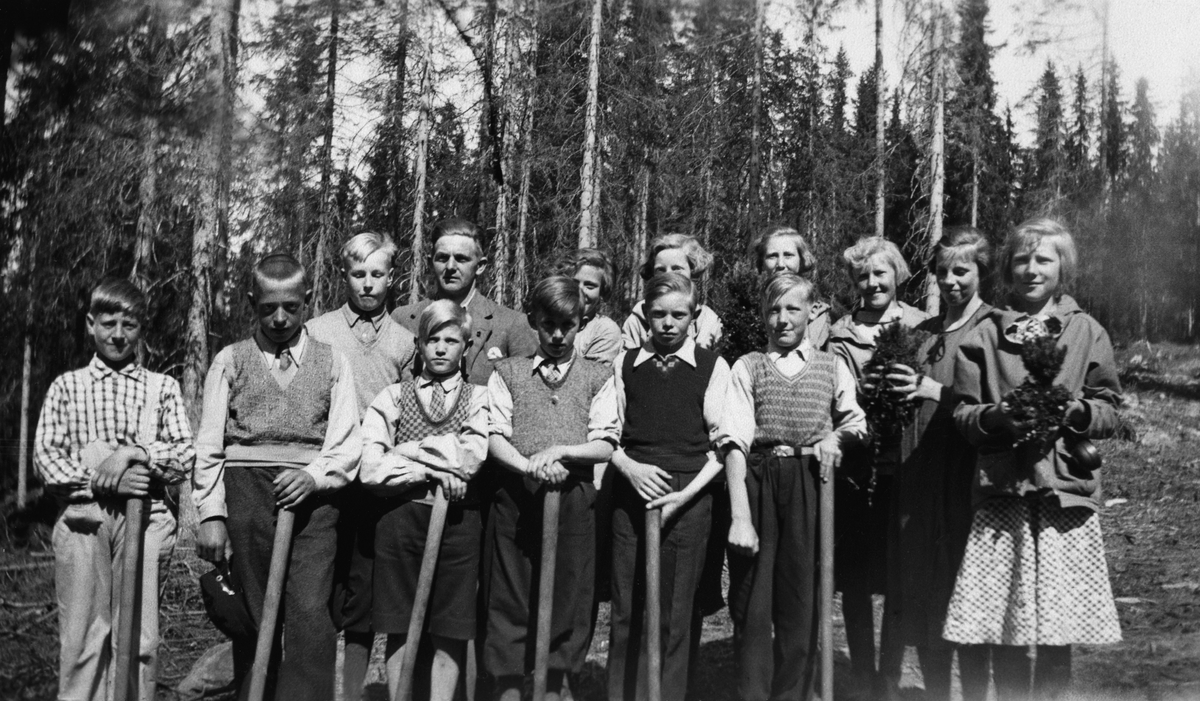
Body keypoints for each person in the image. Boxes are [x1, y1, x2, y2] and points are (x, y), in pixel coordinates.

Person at [943, 217, 1122, 700]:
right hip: (1005, 493)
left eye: (1043, 258)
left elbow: (1109, 410)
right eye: (1021, 259)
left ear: (1063, 267)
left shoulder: (1086, 330)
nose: (1031, 269)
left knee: (1055, 627)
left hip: (1064, 495)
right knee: (1005, 621)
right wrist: (997, 416)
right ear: (1006, 268)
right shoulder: (985, 333)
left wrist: (1076, 410)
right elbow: (962, 413)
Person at [193, 252, 362, 701]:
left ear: (307, 300)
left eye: (291, 306)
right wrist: (211, 513)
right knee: (252, 617)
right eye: (268, 308)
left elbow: (347, 445)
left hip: (314, 507)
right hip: (246, 500)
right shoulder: (230, 361)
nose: (281, 318)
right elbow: (209, 445)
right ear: (252, 302)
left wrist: (315, 477)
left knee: (310, 613)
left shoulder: (333, 362)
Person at [35, 279, 195, 701]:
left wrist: (131, 454)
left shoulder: (162, 388)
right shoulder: (67, 387)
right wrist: (100, 478)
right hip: (83, 519)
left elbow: (183, 455)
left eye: (130, 325)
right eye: (108, 323)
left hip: (143, 524)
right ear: (91, 324)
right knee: (84, 640)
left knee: (139, 640)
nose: (119, 335)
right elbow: (47, 460)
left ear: (142, 328)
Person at [720, 273, 867, 701]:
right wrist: (741, 517)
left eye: (792, 309)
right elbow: (733, 442)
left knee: (802, 603)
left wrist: (833, 439)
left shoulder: (831, 365)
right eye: (773, 310)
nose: (782, 319)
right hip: (759, 480)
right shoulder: (747, 366)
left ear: (811, 312)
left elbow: (854, 421)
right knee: (752, 604)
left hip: (811, 484)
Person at [484, 276, 619, 701]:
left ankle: (557, 682)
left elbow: (605, 443)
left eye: (568, 324)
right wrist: (530, 466)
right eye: (548, 325)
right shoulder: (507, 372)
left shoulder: (598, 376)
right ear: (532, 322)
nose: (558, 335)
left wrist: (560, 452)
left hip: (575, 497)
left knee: (570, 591)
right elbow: (492, 436)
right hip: (516, 494)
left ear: (581, 322)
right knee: (510, 590)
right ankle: (508, 683)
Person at [881, 228, 995, 701]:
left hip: (968, 484)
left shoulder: (995, 327)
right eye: (942, 271)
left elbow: (998, 404)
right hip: (918, 481)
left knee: (967, 602)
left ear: (981, 272)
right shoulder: (920, 334)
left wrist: (937, 392)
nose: (950, 280)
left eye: (961, 271)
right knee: (926, 600)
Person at [606, 272, 731, 701]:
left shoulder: (712, 367)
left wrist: (685, 494)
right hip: (631, 491)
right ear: (644, 315)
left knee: (676, 613)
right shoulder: (624, 364)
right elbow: (607, 433)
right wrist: (630, 467)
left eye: (679, 315)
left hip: (688, 495)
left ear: (694, 317)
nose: (668, 324)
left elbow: (722, 446)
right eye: (658, 314)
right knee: (627, 608)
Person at [359, 300, 489, 701]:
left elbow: (470, 456)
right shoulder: (394, 396)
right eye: (433, 339)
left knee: (450, 628)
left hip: (458, 524)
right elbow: (371, 468)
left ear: (465, 347)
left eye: (451, 340)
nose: (440, 349)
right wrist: (431, 469)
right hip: (401, 519)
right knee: (398, 623)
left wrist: (408, 452)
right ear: (419, 344)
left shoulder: (480, 397)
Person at [307, 231, 418, 701]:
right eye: (358, 274)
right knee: (316, 589)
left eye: (377, 274)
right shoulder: (318, 331)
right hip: (328, 479)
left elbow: (409, 411)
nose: (367, 284)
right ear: (344, 276)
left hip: (374, 485)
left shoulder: (405, 341)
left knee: (363, 592)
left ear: (391, 278)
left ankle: (351, 692)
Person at [827, 236, 930, 698]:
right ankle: (862, 673)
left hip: (906, 462)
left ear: (897, 275)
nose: (872, 283)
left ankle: (889, 675)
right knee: (855, 576)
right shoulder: (838, 333)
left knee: (897, 576)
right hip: (856, 464)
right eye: (863, 276)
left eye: (880, 274)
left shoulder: (921, 326)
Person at [393, 217, 538, 386]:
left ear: (480, 266)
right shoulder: (404, 320)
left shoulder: (511, 324)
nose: (450, 267)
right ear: (430, 262)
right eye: (442, 258)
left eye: (461, 259)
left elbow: (528, 394)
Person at [621, 234, 723, 351]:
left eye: (677, 269)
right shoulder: (638, 319)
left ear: (692, 270)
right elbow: (625, 363)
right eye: (660, 270)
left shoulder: (707, 321)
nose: (668, 275)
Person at [749, 224, 833, 348]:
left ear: (802, 259)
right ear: (762, 263)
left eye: (788, 255)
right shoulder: (750, 311)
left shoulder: (818, 317)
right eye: (772, 256)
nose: (781, 264)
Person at [555, 248, 623, 366]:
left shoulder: (604, 330)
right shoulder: (544, 320)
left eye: (590, 286)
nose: (580, 291)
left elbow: (592, 379)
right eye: (573, 283)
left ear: (602, 292)